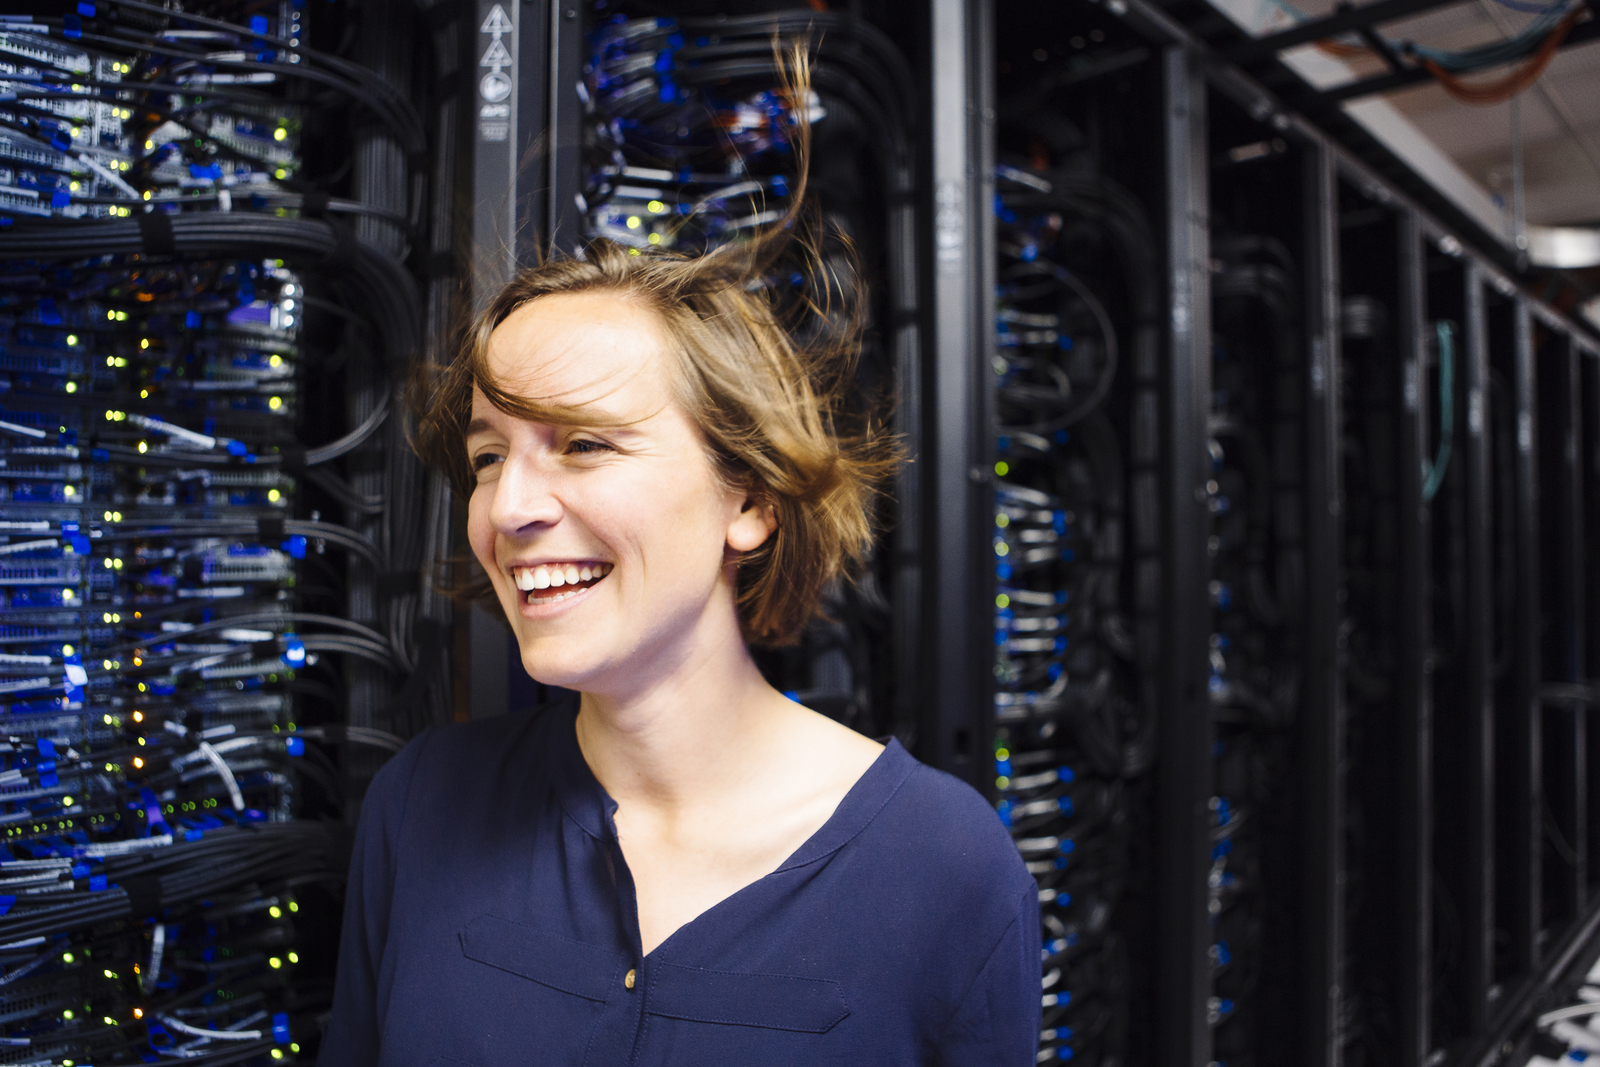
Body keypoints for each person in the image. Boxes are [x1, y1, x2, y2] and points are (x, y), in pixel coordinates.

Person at [319, 57, 1040, 1067]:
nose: (509, 507)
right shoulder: (423, 803)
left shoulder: (940, 864)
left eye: (583, 443)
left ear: (744, 497)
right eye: (488, 457)